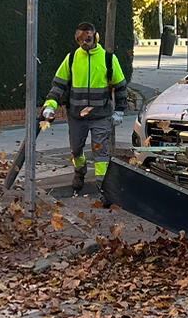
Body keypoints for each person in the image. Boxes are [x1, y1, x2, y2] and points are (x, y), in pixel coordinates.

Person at [43, 22, 129, 197]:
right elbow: (58, 85)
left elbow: (120, 87)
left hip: (101, 116)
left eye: (88, 38)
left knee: (101, 153)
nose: (85, 42)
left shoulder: (108, 59)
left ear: (95, 37)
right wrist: (50, 105)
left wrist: (120, 110)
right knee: (76, 149)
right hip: (76, 116)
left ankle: (103, 189)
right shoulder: (72, 58)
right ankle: (79, 171)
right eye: (81, 39)